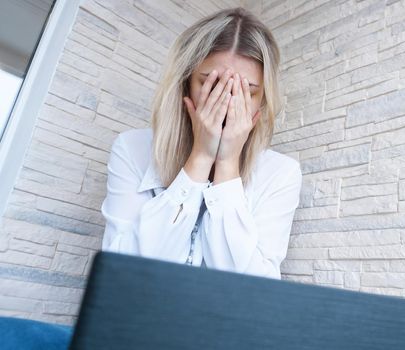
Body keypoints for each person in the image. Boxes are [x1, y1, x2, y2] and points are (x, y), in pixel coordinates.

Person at [100, 7, 302, 281]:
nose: (228, 103)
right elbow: (122, 275)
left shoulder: (281, 173)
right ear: (185, 85)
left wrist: (228, 165)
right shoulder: (131, 149)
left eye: (246, 92)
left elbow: (252, 290)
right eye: (213, 85)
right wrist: (200, 157)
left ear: (263, 100)